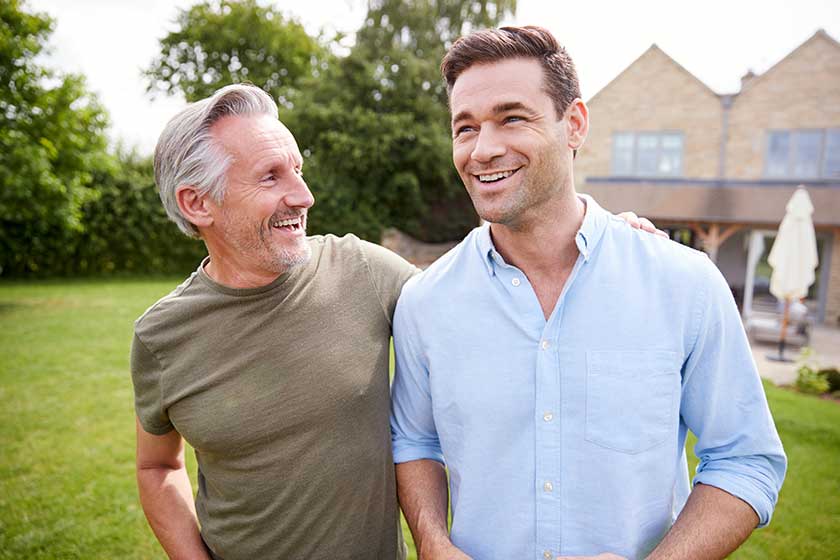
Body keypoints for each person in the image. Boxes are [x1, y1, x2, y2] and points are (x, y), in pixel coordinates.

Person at [131, 83, 657, 559]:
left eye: (298, 170)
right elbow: (157, 466)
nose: (303, 195)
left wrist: (595, 238)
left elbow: (483, 286)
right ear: (197, 203)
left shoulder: (361, 271)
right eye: (271, 176)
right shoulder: (161, 337)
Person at [390, 26, 787, 560]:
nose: (484, 149)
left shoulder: (683, 284)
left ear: (574, 124)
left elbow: (745, 460)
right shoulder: (425, 303)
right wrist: (433, 542)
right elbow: (415, 441)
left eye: (512, 118)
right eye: (466, 128)